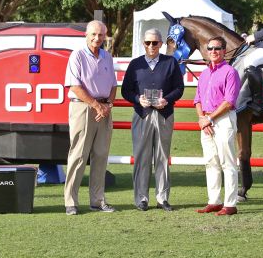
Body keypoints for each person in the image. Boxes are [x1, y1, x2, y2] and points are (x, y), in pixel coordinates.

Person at [121, 28, 184, 212]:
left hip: (164, 114)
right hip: (142, 114)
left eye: (155, 43)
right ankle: (141, 198)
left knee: (162, 157)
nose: (151, 46)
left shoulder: (170, 62)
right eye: (148, 43)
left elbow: (179, 88)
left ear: (161, 44)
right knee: (142, 157)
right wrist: (137, 99)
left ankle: (162, 197)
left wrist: (167, 100)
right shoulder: (135, 64)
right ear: (143, 44)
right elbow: (126, 90)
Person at [63, 20, 117, 216]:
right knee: (78, 155)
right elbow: (74, 86)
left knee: (101, 156)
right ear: (86, 35)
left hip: (104, 110)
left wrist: (107, 106)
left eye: (101, 35)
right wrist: (96, 105)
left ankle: (97, 200)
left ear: (105, 36)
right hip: (83, 108)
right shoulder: (77, 55)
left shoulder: (107, 57)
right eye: (93, 34)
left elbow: (113, 85)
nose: (97, 38)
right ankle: (71, 201)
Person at [194, 36, 241, 216]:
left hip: (223, 120)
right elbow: (197, 99)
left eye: (217, 48)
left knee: (227, 162)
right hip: (206, 120)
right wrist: (202, 119)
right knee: (210, 161)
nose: (213, 51)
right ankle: (214, 201)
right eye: (210, 48)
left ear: (223, 50)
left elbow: (229, 102)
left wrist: (209, 119)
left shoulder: (230, 72)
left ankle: (230, 204)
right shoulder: (205, 74)